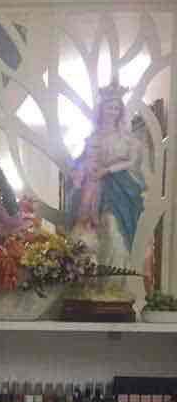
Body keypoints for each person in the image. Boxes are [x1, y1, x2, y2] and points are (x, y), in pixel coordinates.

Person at [67, 80, 145, 271]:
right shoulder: (94, 136)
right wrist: (80, 171)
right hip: (93, 185)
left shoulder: (125, 137)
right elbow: (83, 160)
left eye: (116, 108)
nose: (113, 112)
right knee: (92, 229)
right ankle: (93, 274)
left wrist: (108, 170)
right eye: (109, 107)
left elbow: (131, 161)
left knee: (113, 227)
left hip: (118, 188)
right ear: (102, 109)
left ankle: (116, 275)